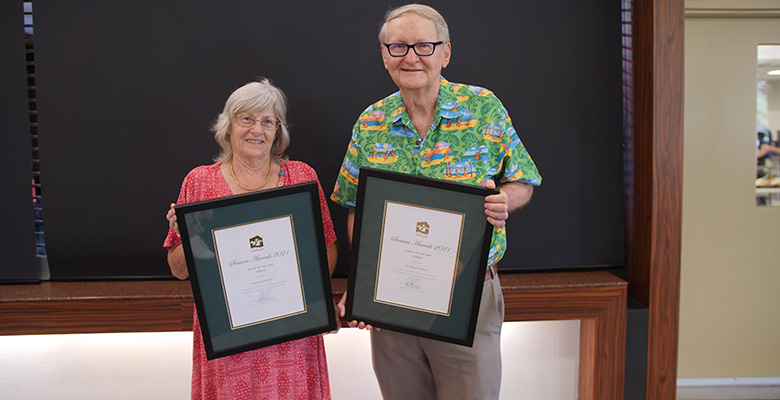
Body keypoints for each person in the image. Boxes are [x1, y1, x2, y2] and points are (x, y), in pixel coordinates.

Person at [330, 4, 542, 399]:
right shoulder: (370, 122)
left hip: (468, 293)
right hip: (392, 298)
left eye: (424, 46)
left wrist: (505, 200)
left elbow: (524, 180)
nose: (411, 56)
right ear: (384, 55)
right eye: (398, 47)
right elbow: (356, 207)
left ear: (445, 52)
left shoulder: (484, 109)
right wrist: (362, 284)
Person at [164, 79, 338, 400]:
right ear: (228, 125)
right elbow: (178, 269)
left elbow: (327, 248)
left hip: (290, 334)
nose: (257, 129)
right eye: (247, 118)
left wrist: (305, 299)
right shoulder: (199, 182)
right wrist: (191, 235)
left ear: (278, 132)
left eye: (268, 121)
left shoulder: (301, 177)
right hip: (228, 335)